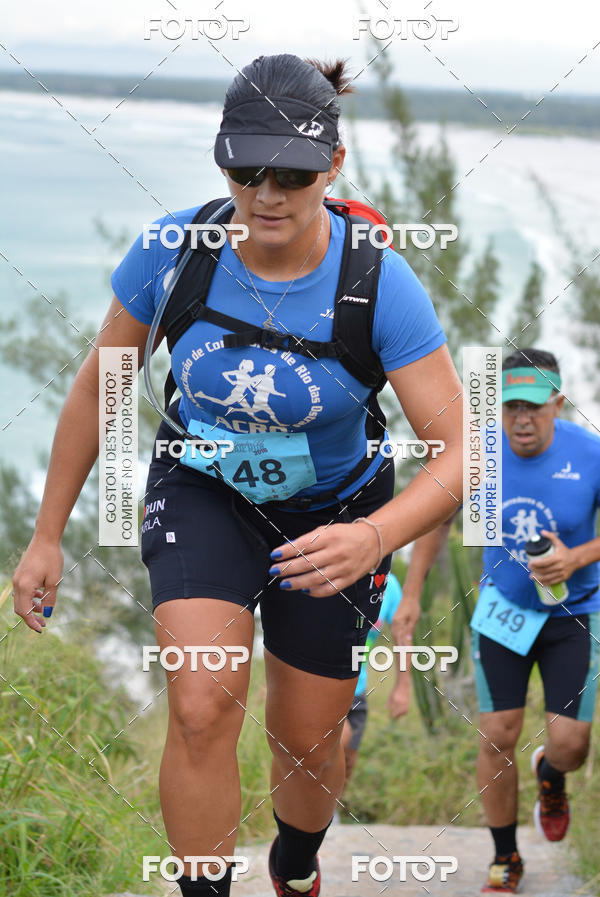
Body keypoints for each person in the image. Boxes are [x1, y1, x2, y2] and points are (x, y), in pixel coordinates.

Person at [12, 54, 462, 897]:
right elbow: (102, 389)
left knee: (308, 743)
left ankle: (295, 864)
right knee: (200, 705)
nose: (267, 193)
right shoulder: (176, 252)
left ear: (333, 166)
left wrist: (374, 537)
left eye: (292, 174)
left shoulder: (376, 281)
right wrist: (46, 537)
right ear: (221, 160)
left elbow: (464, 451)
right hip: (203, 490)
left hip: (336, 516)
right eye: (245, 169)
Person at [396, 348, 600, 894]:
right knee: (497, 736)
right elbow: (435, 519)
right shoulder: (477, 454)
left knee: (571, 745)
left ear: (558, 403)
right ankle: (505, 857)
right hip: (503, 613)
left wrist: (577, 558)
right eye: (511, 407)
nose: (522, 419)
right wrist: (411, 596)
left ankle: (551, 774)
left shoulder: (590, 453)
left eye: (533, 406)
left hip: (573, 614)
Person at [339, 570, 407, 803]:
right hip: (322, 684)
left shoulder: (390, 585)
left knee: (349, 760)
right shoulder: (334, 569)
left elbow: (403, 637)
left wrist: (402, 688)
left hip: (357, 688)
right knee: (338, 743)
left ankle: (330, 811)